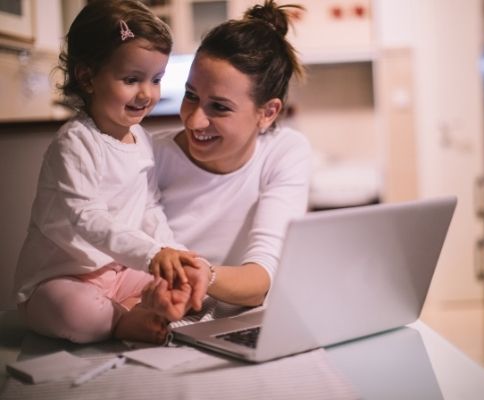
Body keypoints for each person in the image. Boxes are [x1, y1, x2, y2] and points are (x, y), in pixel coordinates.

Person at [12, 0, 206, 345]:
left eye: (156, 79)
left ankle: (142, 304)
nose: (147, 93)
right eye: (132, 79)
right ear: (87, 76)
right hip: (64, 279)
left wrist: (171, 253)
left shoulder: (141, 140)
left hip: (118, 271)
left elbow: (149, 208)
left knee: (183, 284)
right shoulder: (76, 143)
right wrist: (149, 254)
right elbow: (88, 219)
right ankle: (120, 319)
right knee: (77, 312)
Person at [142, 0, 312, 325]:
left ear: (268, 112)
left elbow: (264, 277)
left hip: (239, 324)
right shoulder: (149, 155)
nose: (193, 121)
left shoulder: (285, 152)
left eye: (219, 107)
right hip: (161, 321)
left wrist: (207, 276)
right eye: (190, 95)